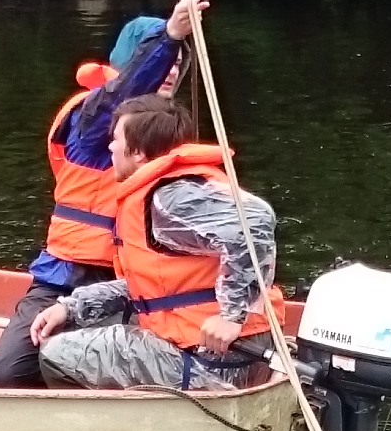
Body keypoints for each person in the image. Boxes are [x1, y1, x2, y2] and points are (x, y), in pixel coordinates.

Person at [0, 0, 210, 387]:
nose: (170, 71)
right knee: (4, 374)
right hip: (65, 276)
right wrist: (170, 36)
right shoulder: (93, 121)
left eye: (176, 64)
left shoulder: (170, 137)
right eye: (161, 62)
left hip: (137, 285)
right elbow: (124, 94)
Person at [29, 95, 280, 391]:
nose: (110, 146)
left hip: (217, 363)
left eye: (117, 138)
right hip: (222, 354)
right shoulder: (172, 190)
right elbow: (150, 287)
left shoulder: (168, 198)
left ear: (138, 154)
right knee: (80, 322)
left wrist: (232, 317)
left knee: (58, 354)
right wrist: (72, 307)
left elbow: (255, 221)